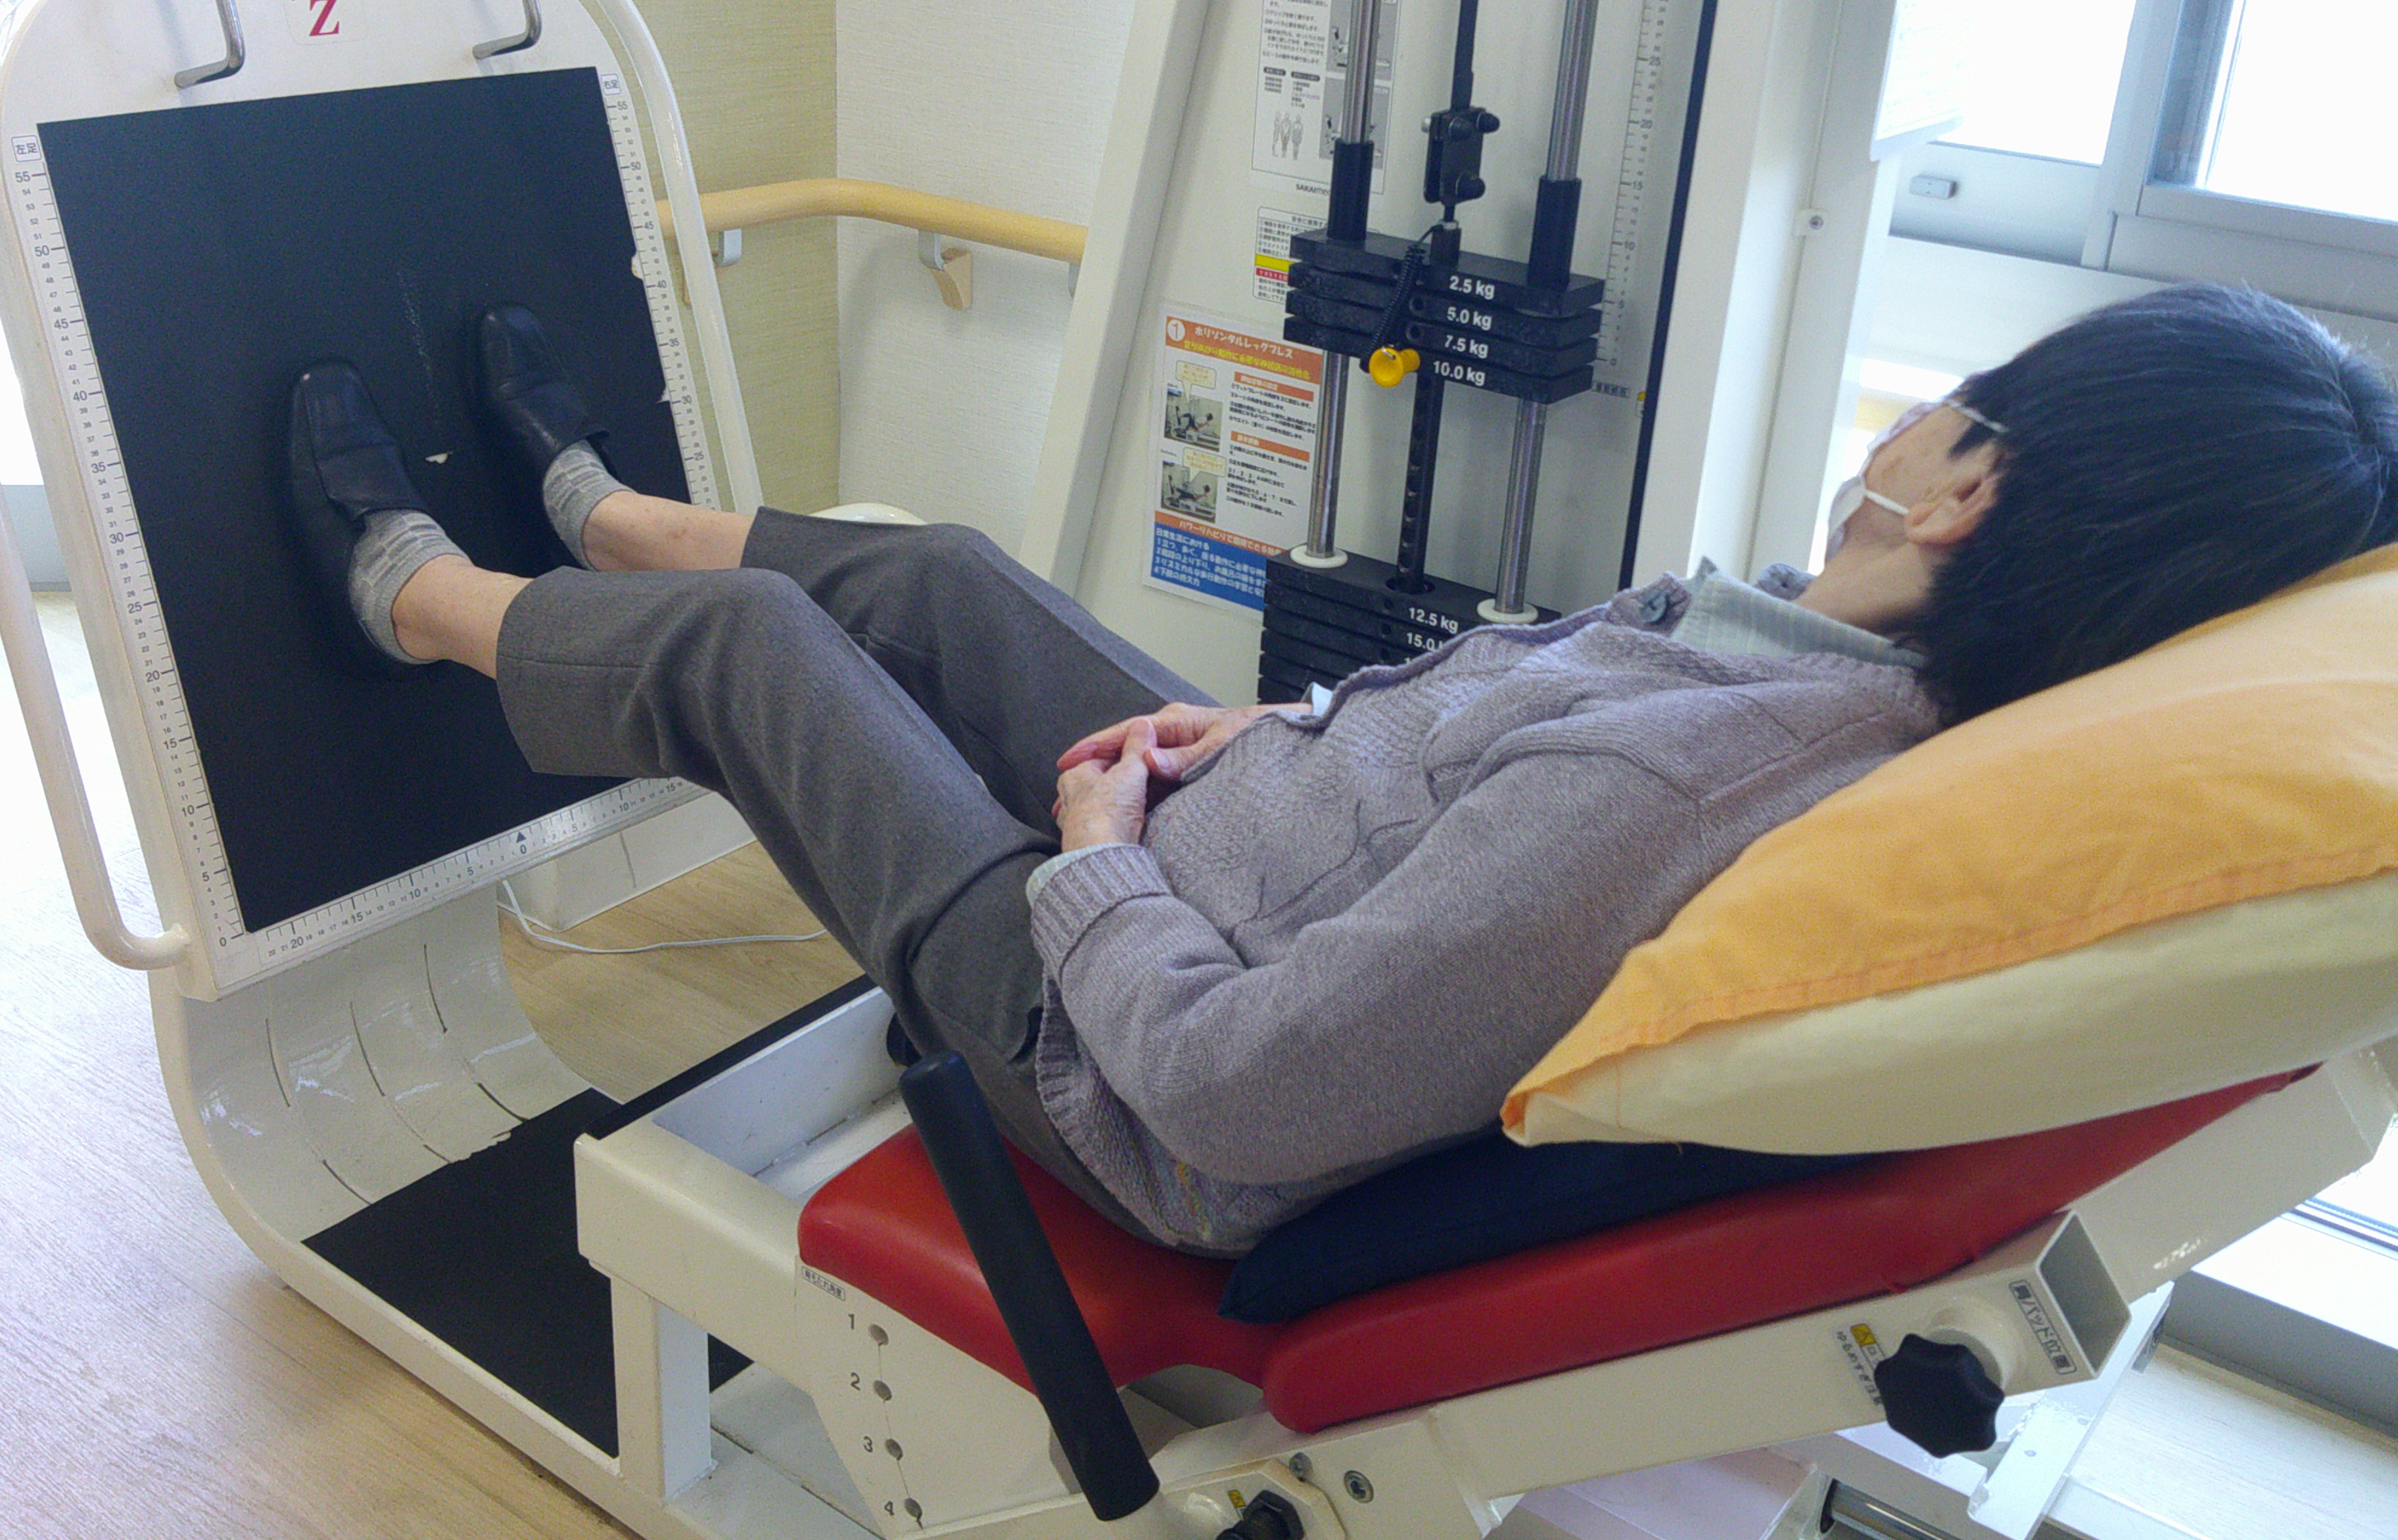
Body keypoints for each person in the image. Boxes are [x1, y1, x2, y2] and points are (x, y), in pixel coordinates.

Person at [287, 286, 2398, 1256]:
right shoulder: (1784, 632)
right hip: (1227, 845)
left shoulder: (1701, 782)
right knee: (939, 575)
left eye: (1967, 398)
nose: (1922, 410)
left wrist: (1092, 859)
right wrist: (1279, 730)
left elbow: (1242, 1096)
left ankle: (418, 597)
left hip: (1116, 1063)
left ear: (1972, 485)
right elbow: (1471, 754)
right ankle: (609, 520)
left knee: (759, 653)